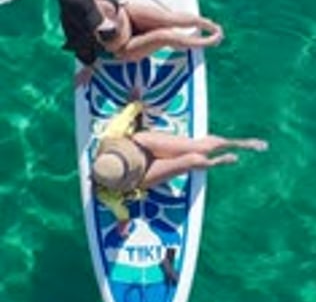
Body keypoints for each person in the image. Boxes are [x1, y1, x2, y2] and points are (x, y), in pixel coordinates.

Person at [92, 97, 268, 229]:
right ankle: (216, 162)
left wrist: (136, 103)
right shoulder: (105, 192)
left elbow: (129, 112)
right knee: (191, 161)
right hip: (143, 175)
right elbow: (120, 212)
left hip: (140, 145)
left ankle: (239, 143)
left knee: (199, 147)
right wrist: (123, 220)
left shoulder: (113, 135)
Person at [56, 0, 224, 81]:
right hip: (125, 48)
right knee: (164, 36)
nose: (101, 21)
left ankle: (205, 23)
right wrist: (89, 67)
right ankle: (209, 41)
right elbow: (82, 50)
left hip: (128, 15)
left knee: (168, 18)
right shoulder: (74, 25)